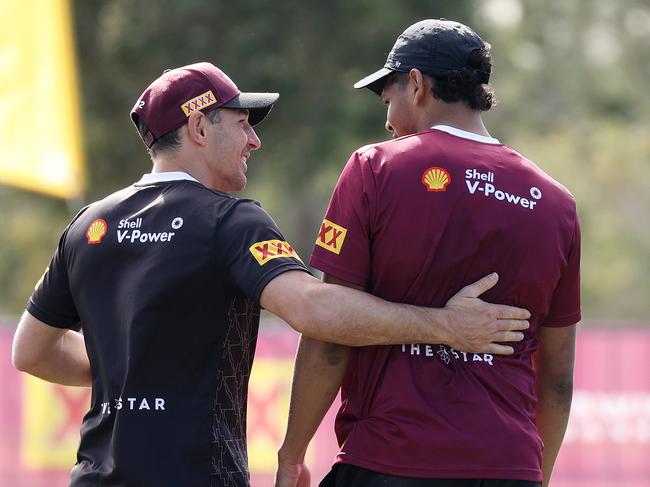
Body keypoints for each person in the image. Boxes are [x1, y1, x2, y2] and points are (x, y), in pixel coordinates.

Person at [11, 62, 531, 487]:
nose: (253, 141)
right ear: (197, 127)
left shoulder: (88, 225)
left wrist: (132, 364)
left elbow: (30, 351)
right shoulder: (229, 219)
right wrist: (445, 325)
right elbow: (314, 309)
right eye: (242, 123)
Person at [275, 19, 580, 487]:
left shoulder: (375, 167)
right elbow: (557, 379)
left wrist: (292, 453)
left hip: (390, 460)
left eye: (388, 99)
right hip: (510, 465)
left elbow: (331, 337)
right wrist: (533, 477)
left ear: (416, 85)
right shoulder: (557, 203)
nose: (387, 120)